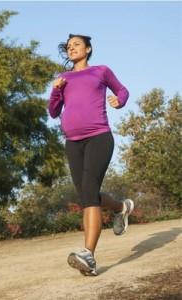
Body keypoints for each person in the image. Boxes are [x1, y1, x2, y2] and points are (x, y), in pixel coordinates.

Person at [48, 33, 134, 276]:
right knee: (87, 195)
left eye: (76, 45)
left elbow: (122, 89)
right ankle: (120, 207)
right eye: (68, 46)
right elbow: (54, 112)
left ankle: (89, 256)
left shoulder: (100, 71)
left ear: (88, 49)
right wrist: (56, 91)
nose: (71, 48)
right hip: (72, 143)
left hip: (99, 137)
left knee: (88, 193)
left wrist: (120, 100)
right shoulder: (62, 78)